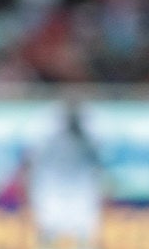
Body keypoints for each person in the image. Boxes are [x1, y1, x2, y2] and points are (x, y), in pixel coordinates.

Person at [26, 102, 106, 249]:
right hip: (52, 191)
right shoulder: (47, 136)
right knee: (48, 233)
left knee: (85, 235)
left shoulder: (89, 136)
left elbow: (99, 163)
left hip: (81, 193)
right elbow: (31, 162)